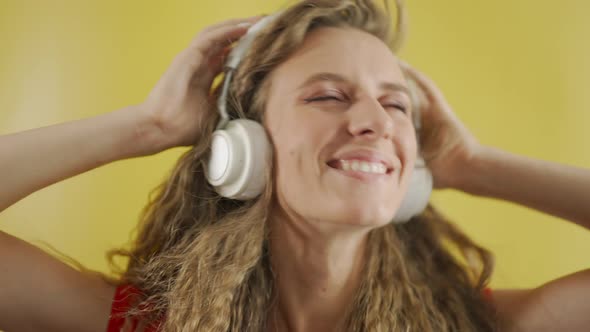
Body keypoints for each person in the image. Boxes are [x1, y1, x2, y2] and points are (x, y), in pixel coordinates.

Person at [1, 0, 589, 331]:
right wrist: (147, 126)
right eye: (328, 96)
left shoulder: (469, 326)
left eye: (395, 103)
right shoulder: (143, 325)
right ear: (245, 147)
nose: (377, 123)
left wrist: (474, 164)